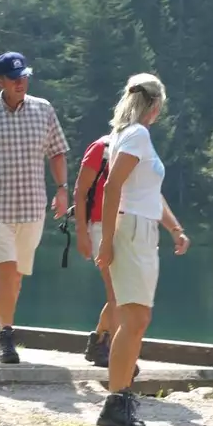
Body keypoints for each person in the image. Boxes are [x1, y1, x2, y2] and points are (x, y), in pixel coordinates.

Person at [0, 51, 70, 365]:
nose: (21, 82)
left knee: (16, 275)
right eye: (14, 78)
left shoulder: (43, 110)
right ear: (0, 81)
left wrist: (62, 190)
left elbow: (57, 152)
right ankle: (7, 335)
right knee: (6, 268)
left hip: (31, 206)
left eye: (24, 76)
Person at [95, 73, 191, 426]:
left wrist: (174, 228)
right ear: (155, 105)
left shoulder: (128, 136)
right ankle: (117, 402)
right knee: (134, 319)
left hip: (141, 226)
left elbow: (148, 192)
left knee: (135, 318)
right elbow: (112, 186)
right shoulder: (137, 135)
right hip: (132, 229)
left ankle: (118, 400)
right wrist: (106, 240)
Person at [73, 134, 117, 367]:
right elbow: (80, 192)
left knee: (123, 293)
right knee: (117, 292)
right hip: (100, 226)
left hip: (129, 226)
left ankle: (100, 339)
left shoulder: (139, 147)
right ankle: (111, 349)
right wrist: (82, 232)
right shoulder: (101, 147)